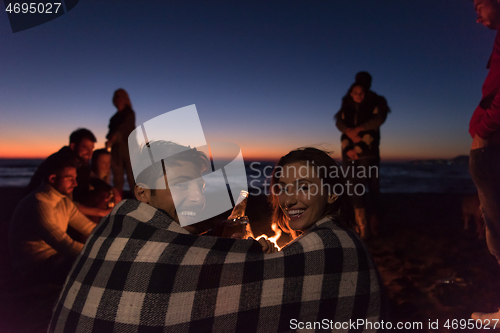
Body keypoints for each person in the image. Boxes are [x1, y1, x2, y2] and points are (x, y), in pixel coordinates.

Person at [50, 143, 384, 332]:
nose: (197, 192)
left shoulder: (338, 248)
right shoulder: (120, 232)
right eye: (183, 181)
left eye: (200, 181)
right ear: (143, 193)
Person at [9, 155, 96, 285]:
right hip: (35, 266)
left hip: (57, 257)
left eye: (75, 178)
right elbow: (66, 246)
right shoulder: (38, 204)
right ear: (52, 178)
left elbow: (89, 228)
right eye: (70, 179)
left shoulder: (63, 202)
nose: (75, 184)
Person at [469, 0, 500, 323]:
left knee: (497, 226)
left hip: (492, 145)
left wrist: (484, 129)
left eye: (479, 4)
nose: (477, 16)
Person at [334, 75, 389, 239]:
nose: (359, 94)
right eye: (356, 91)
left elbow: (376, 124)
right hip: (349, 152)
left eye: (362, 90)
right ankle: (360, 226)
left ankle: (374, 224)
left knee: (371, 187)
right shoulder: (347, 105)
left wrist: (358, 137)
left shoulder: (375, 102)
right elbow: (341, 126)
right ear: (352, 91)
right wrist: (348, 144)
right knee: (352, 186)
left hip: (368, 152)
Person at [26, 128, 111, 218]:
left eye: (92, 149)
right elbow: (66, 202)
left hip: (68, 201)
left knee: (104, 193)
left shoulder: (80, 161)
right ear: (73, 146)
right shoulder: (63, 163)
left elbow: (92, 177)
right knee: (100, 199)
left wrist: (111, 189)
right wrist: (99, 212)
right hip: (42, 206)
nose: (90, 153)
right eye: (85, 147)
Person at [106, 88, 136, 194]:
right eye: (116, 97)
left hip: (129, 150)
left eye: (120, 96)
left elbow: (124, 128)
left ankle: (137, 202)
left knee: (132, 177)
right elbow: (110, 132)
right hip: (116, 150)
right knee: (117, 177)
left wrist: (114, 137)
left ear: (125, 98)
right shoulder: (113, 118)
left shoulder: (129, 114)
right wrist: (109, 138)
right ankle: (118, 201)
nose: (118, 99)